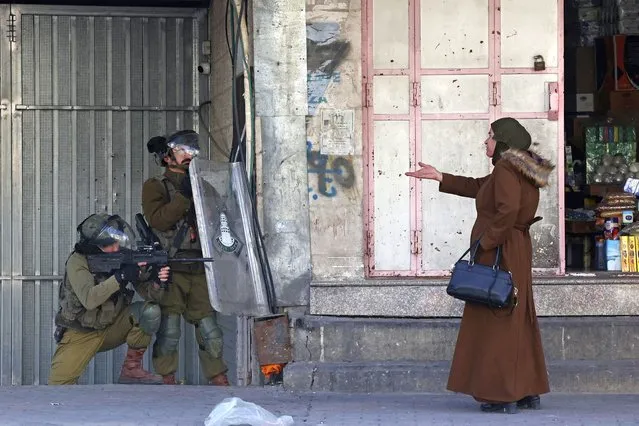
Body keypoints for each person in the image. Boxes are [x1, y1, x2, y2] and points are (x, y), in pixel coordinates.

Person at [405, 117, 553, 414]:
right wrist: (439, 176)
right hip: (515, 249)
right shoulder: (517, 169)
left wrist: (486, 243)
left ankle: (502, 395)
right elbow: (479, 187)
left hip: (501, 250)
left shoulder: (505, 169)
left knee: (495, 317)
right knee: (516, 316)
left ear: (503, 142)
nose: (485, 141)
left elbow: (507, 210)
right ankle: (525, 390)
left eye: (490, 136)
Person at [142, 130, 229, 386]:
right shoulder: (156, 186)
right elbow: (158, 219)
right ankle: (167, 383)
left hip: (201, 265)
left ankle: (220, 381)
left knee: (209, 330)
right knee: (169, 330)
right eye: (182, 151)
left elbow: (220, 218)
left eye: (192, 151)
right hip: (172, 264)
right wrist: (184, 196)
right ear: (168, 157)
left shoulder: (204, 185)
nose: (189, 155)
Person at [49, 213, 169, 385]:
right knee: (57, 386)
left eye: (116, 242)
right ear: (94, 247)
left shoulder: (123, 256)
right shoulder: (77, 262)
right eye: (108, 246)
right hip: (81, 332)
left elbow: (150, 295)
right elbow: (89, 299)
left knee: (149, 312)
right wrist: (120, 277)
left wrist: (158, 281)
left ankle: (131, 369)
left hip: (111, 327)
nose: (115, 248)